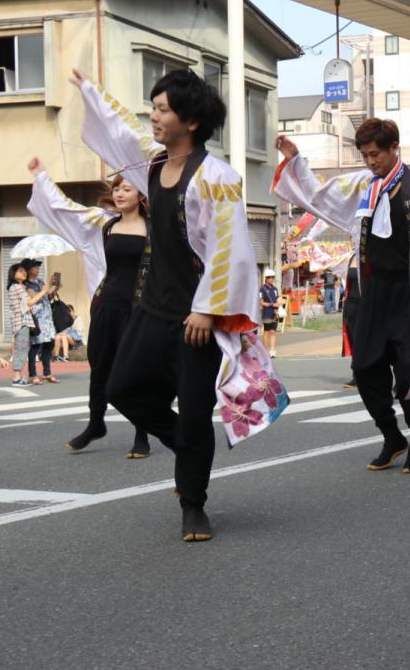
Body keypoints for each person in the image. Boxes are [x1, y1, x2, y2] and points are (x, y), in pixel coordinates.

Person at [73, 66, 285, 542]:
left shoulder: (218, 177)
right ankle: (187, 448)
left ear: (190, 120)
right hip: (151, 307)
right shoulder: (150, 166)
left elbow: (230, 248)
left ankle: (194, 504)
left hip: (196, 317)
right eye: (154, 107)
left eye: (163, 109)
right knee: (122, 389)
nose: (154, 116)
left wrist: (208, 309)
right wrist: (90, 89)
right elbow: (120, 130)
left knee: (193, 411)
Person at [274, 117, 410, 475]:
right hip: (372, 292)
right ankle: (392, 435)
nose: (371, 161)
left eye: (376, 154)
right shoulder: (362, 185)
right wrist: (296, 160)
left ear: (394, 148)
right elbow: (318, 197)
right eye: (365, 155)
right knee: (364, 366)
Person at [26, 159, 154, 459]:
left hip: (138, 310)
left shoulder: (156, 229)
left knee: (134, 373)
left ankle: (142, 433)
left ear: (142, 195)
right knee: (99, 367)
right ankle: (96, 423)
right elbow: (65, 208)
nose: (120, 193)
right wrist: (41, 177)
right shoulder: (103, 223)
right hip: (106, 305)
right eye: (117, 188)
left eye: (128, 188)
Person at [22, 259, 60, 384]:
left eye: (38, 267)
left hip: (47, 318)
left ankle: (47, 372)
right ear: (28, 270)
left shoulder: (41, 282)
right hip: (36, 319)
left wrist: (55, 289)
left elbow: (46, 297)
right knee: (35, 346)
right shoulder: (26, 285)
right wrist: (47, 286)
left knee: (48, 345)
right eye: (35, 267)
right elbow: (34, 298)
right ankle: (32, 374)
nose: (38, 269)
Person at [6, 263, 35, 386]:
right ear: (14, 274)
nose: (24, 273)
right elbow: (29, 303)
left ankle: (19, 375)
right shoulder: (17, 287)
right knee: (21, 348)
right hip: (21, 322)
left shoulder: (20, 287)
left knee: (22, 347)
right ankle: (16, 377)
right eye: (20, 271)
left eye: (24, 271)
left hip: (21, 322)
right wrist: (44, 290)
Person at [341, 260, 360, 389]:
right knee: (353, 340)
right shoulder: (352, 256)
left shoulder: (368, 254)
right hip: (351, 304)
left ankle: (365, 374)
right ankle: (357, 375)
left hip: (365, 304)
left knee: (362, 341)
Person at [259, 270, 280, 358]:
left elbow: (277, 298)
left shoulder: (275, 289)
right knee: (266, 332)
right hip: (267, 312)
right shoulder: (262, 289)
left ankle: (272, 351)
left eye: (273, 277)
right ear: (266, 278)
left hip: (274, 312)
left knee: (273, 331)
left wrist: (279, 302)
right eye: (269, 277)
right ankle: (265, 351)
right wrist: (272, 304)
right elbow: (261, 302)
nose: (271, 279)